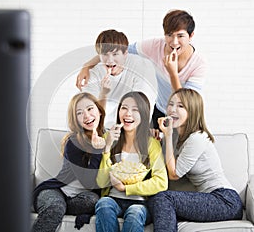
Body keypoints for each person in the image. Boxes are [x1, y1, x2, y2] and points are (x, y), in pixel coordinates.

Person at [76, 10, 206, 138]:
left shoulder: (198, 64)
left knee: (180, 151)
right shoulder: (155, 47)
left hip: (185, 115)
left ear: (191, 35)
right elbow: (117, 49)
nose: (174, 41)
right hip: (161, 109)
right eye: (169, 35)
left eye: (180, 36)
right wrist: (87, 66)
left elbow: (186, 103)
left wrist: (172, 73)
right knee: (156, 148)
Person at [147, 88, 243, 232]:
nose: (172, 109)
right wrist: (156, 138)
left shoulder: (197, 138)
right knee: (154, 200)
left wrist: (166, 136)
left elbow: (174, 174)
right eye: (171, 104)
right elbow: (162, 167)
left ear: (192, 111)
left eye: (180, 106)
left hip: (225, 200)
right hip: (208, 198)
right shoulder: (176, 139)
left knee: (164, 198)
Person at [32, 92, 106, 232]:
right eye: (79, 113)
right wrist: (97, 151)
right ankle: (58, 206)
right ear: (75, 119)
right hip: (56, 191)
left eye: (90, 109)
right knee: (56, 207)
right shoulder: (73, 142)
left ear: (99, 111)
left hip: (78, 199)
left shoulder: (107, 137)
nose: (86, 115)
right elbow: (88, 182)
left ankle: (62, 206)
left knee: (93, 201)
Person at [95, 91, 168, 232]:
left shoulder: (151, 143)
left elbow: (161, 182)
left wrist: (126, 189)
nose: (128, 114)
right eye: (124, 108)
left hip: (140, 203)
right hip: (112, 199)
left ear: (144, 115)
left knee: (135, 213)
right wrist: (107, 147)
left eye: (135, 110)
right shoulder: (109, 137)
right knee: (103, 203)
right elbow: (101, 182)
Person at [80, 29, 157, 128]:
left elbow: (142, 108)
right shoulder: (93, 74)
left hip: (132, 128)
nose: (110, 60)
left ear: (125, 54)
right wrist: (103, 94)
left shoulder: (141, 67)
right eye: (105, 54)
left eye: (115, 54)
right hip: (103, 128)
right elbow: (89, 114)